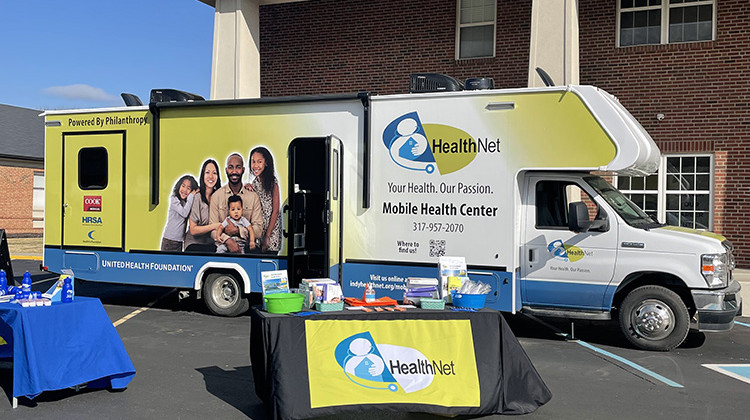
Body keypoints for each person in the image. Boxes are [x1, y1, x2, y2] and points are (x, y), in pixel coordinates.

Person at [209, 153, 262, 253]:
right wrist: (228, 240)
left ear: (243, 170)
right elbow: (213, 230)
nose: (234, 171)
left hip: (246, 247)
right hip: (223, 246)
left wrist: (238, 231)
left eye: (238, 167)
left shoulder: (253, 197)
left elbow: (258, 230)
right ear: (226, 170)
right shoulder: (216, 196)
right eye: (230, 167)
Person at [247, 146, 282, 253]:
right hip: (258, 231)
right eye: (253, 162)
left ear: (266, 163)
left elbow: (275, 211)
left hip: (271, 232)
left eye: (259, 162)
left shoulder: (272, 183)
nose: (255, 165)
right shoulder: (254, 183)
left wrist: (267, 236)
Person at [184, 159, 223, 252]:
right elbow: (193, 230)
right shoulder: (197, 197)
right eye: (207, 172)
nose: (211, 176)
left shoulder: (219, 196)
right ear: (202, 175)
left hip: (212, 243)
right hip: (194, 243)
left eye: (214, 173)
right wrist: (214, 226)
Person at [161, 175, 198, 251]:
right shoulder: (174, 199)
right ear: (179, 186)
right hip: (169, 241)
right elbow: (184, 213)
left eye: (188, 188)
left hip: (180, 241)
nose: (184, 190)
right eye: (183, 186)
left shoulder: (187, 202)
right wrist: (191, 196)